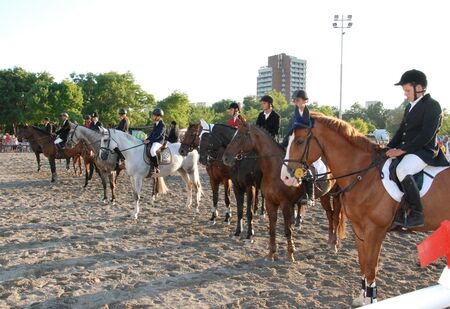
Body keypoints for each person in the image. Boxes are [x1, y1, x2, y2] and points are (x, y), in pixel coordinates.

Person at [387, 69, 450, 228]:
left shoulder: (432, 105)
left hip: (425, 151)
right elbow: (401, 131)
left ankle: (416, 213)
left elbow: (426, 135)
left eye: (407, 90)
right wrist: (387, 148)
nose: (405, 94)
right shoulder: (409, 107)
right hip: (410, 150)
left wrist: (402, 150)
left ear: (419, 88)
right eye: (404, 90)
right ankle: (399, 209)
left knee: (403, 170)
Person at [282, 90, 315, 206]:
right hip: (296, 140)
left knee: (307, 171)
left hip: (307, 142)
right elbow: (291, 129)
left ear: (305, 101)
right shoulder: (295, 113)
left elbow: (307, 127)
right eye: (295, 100)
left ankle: (310, 196)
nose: (296, 102)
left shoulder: (309, 114)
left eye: (298, 100)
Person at [144, 108, 166, 176]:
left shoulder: (162, 125)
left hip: (159, 141)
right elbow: (152, 134)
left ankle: (156, 167)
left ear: (159, 116)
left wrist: (149, 140)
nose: (153, 117)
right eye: (153, 115)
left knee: (152, 151)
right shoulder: (155, 124)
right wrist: (146, 139)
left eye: (154, 115)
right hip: (154, 140)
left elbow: (158, 135)